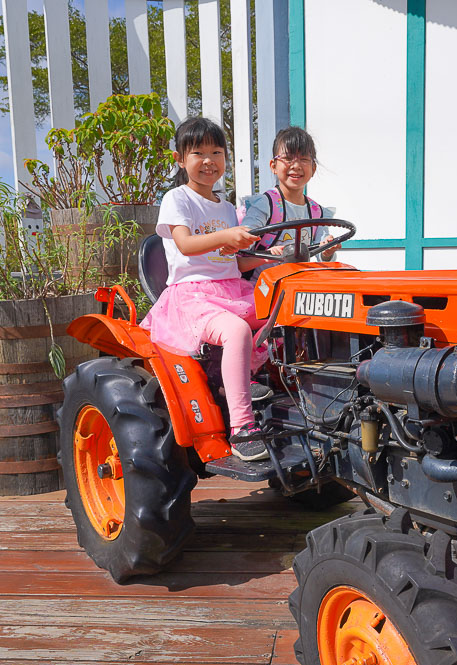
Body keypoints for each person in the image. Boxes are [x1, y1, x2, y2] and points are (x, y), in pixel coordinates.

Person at [140, 117, 274, 462]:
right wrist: (227, 236)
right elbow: (185, 244)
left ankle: (251, 379)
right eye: (197, 152)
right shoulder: (177, 198)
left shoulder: (228, 207)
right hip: (193, 295)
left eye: (216, 151)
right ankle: (243, 427)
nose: (208, 160)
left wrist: (267, 258)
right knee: (236, 330)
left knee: (287, 312)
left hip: (231, 288)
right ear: (179, 159)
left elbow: (231, 263)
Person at [240, 127, 341, 281]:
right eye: (288, 158)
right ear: (273, 166)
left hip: (297, 286)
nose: (296, 165)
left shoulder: (316, 212)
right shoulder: (266, 205)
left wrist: (327, 250)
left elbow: (322, 252)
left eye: (304, 159)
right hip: (261, 287)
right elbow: (244, 243)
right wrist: (265, 253)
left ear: (313, 168)